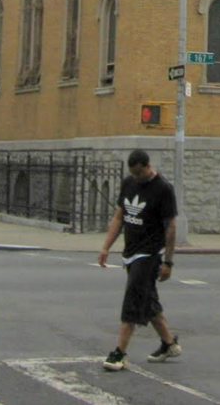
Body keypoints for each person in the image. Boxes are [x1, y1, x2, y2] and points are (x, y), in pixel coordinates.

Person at [97, 149, 181, 370]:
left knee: (133, 300)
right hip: (130, 252)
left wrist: (168, 262)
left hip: (149, 254)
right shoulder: (129, 183)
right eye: (133, 173)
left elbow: (170, 227)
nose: (136, 177)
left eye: (139, 173)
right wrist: (106, 247)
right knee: (148, 301)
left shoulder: (163, 189)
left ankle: (120, 353)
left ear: (147, 166)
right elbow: (119, 216)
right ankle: (169, 344)